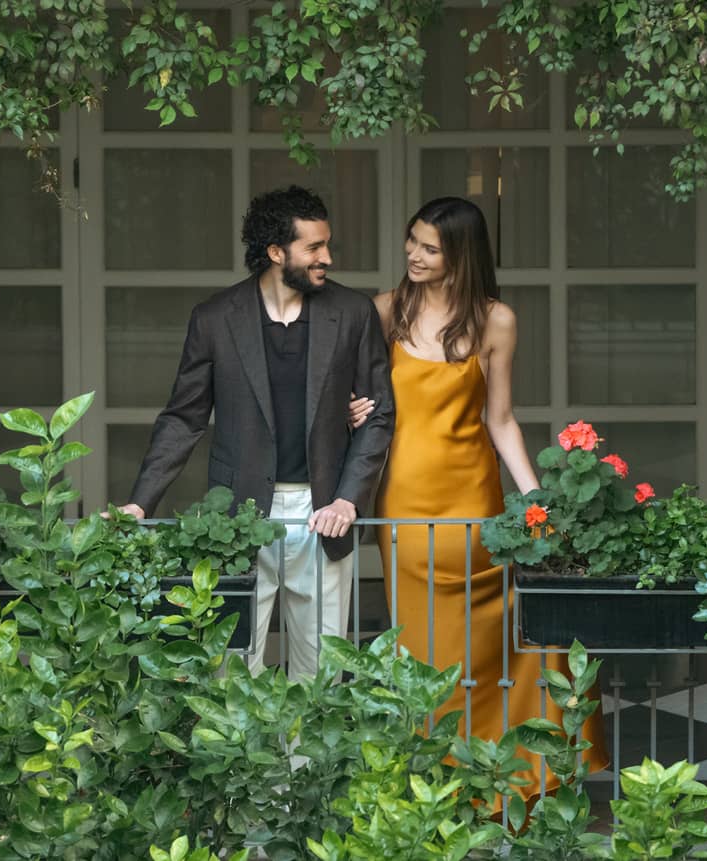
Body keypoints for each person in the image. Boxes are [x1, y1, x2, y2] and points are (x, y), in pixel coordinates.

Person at [352, 196, 608, 801]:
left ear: (461, 255)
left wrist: (537, 504)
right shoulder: (383, 312)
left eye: (429, 247)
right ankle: (435, 794)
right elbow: (359, 407)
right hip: (405, 509)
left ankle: (509, 783)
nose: (414, 255)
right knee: (426, 654)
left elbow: (502, 421)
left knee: (507, 638)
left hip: (476, 503)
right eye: (411, 241)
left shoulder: (496, 321)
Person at [118, 186, 394, 679]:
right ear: (275, 252)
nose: (326, 257)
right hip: (237, 519)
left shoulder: (353, 313)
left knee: (323, 672)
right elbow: (184, 418)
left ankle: (310, 763)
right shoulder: (215, 318)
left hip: (323, 514)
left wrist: (349, 500)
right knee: (232, 672)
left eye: (326, 245)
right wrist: (142, 501)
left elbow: (378, 415)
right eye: (313, 247)